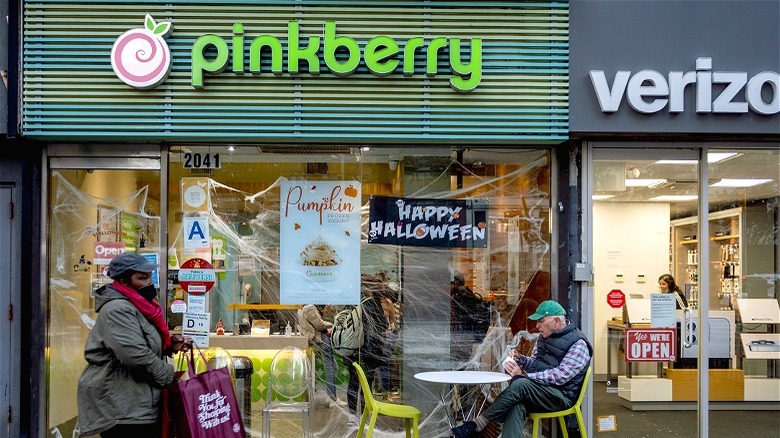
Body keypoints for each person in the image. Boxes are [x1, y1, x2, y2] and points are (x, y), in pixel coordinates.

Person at [77, 253, 192, 438]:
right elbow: (135, 355)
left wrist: (170, 346)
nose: (149, 283)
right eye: (142, 278)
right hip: (122, 405)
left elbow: (141, 342)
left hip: (135, 402)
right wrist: (169, 377)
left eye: (149, 277)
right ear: (123, 281)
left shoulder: (139, 306)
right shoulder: (117, 309)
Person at [451, 300, 592, 438]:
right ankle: (477, 426)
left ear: (556, 321)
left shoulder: (578, 343)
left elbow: (561, 376)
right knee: (516, 404)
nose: (537, 326)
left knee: (521, 383)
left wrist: (525, 377)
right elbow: (536, 363)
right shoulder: (544, 336)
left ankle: (478, 424)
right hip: (541, 390)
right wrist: (521, 359)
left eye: (541, 321)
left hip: (561, 396)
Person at [345, 273, 391, 420]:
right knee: (367, 384)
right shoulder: (372, 302)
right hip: (369, 350)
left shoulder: (351, 302)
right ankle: (365, 415)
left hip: (352, 348)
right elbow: (383, 324)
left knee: (353, 382)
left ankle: (352, 416)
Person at [298, 304, 339, 404]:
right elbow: (320, 325)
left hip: (317, 339)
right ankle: (331, 398)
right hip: (322, 339)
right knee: (330, 367)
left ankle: (332, 396)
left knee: (332, 366)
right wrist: (333, 324)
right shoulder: (310, 307)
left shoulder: (303, 308)